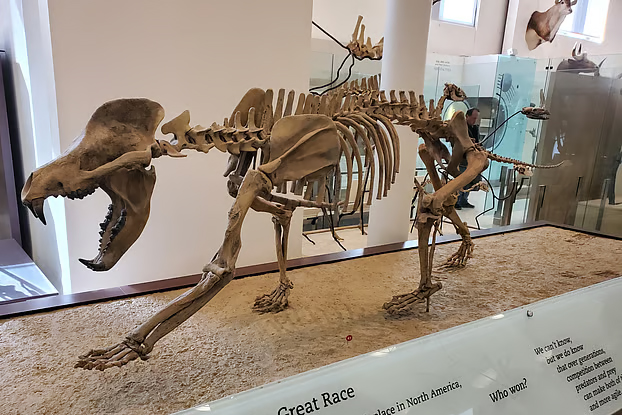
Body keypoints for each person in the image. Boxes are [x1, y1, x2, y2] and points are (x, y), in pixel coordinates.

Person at [455, 107, 480, 209]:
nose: (474, 120)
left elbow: (477, 141)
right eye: (473, 118)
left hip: (471, 158)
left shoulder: (475, 128)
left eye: (476, 118)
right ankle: (456, 200)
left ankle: (464, 200)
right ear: (467, 116)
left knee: (469, 180)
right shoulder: (460, 128)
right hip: (461, 158)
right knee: (461, 179)